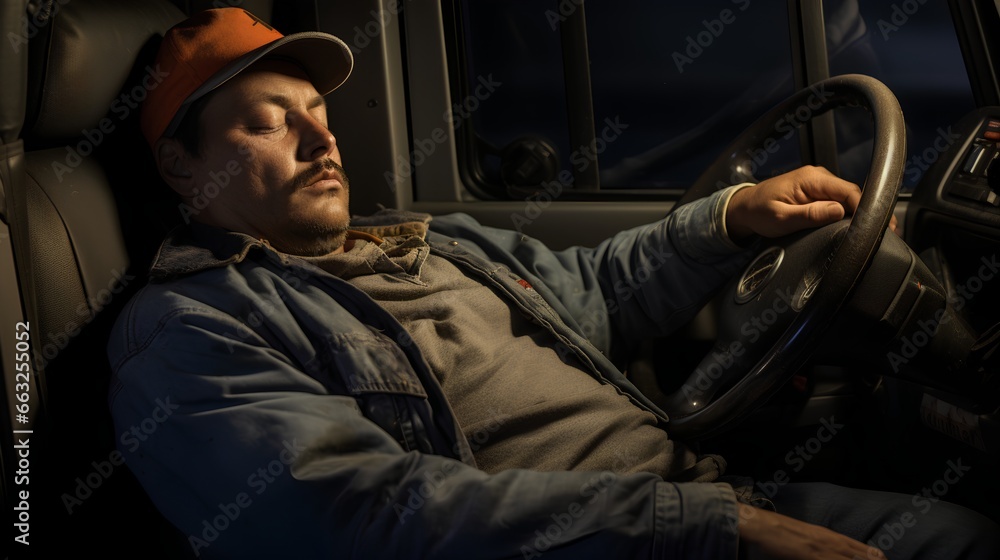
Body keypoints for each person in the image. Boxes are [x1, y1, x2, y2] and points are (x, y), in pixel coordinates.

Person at [108, 7, 997, 559]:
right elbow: (358, 518)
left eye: (320, 117)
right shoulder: (191, 328)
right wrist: (705, 531)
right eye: (270, 126)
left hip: (704, 499)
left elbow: (588, 292)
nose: (321, 141)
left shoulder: (418, 244)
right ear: (184, 171)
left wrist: (731, 219)